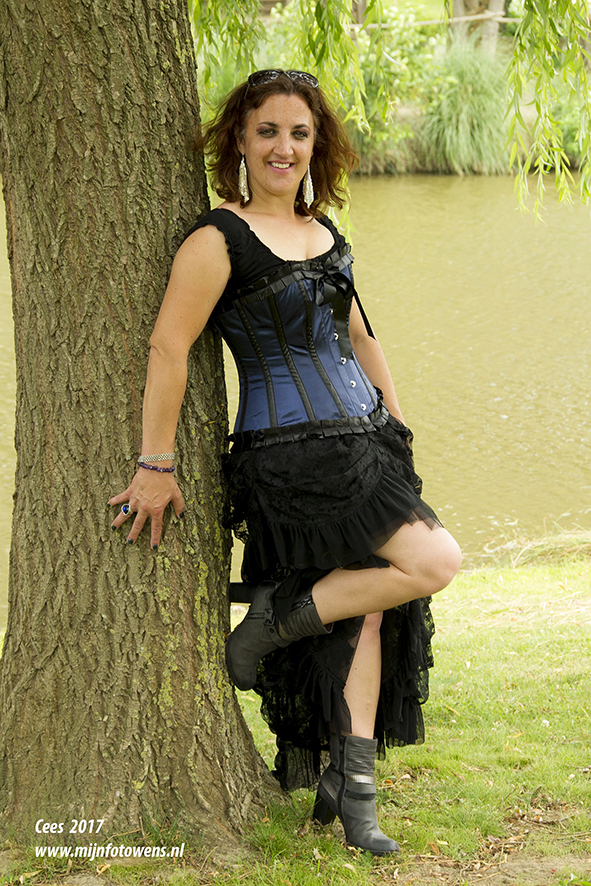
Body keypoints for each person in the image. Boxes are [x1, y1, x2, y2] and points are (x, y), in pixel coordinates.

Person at [109, 69, 462, 856]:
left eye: (298, 133)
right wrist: (155, 464)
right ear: (239, 139)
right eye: (267, 130)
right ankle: (272, 622)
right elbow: (168, 347)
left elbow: (359, 337)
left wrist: (396, 425)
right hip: (289, 456)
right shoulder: (217, 239)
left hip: (365, 445)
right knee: (434, 561)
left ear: (315, 145)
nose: (283, 147)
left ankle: (353, 790)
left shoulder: (323, 230)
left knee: (368, 610)